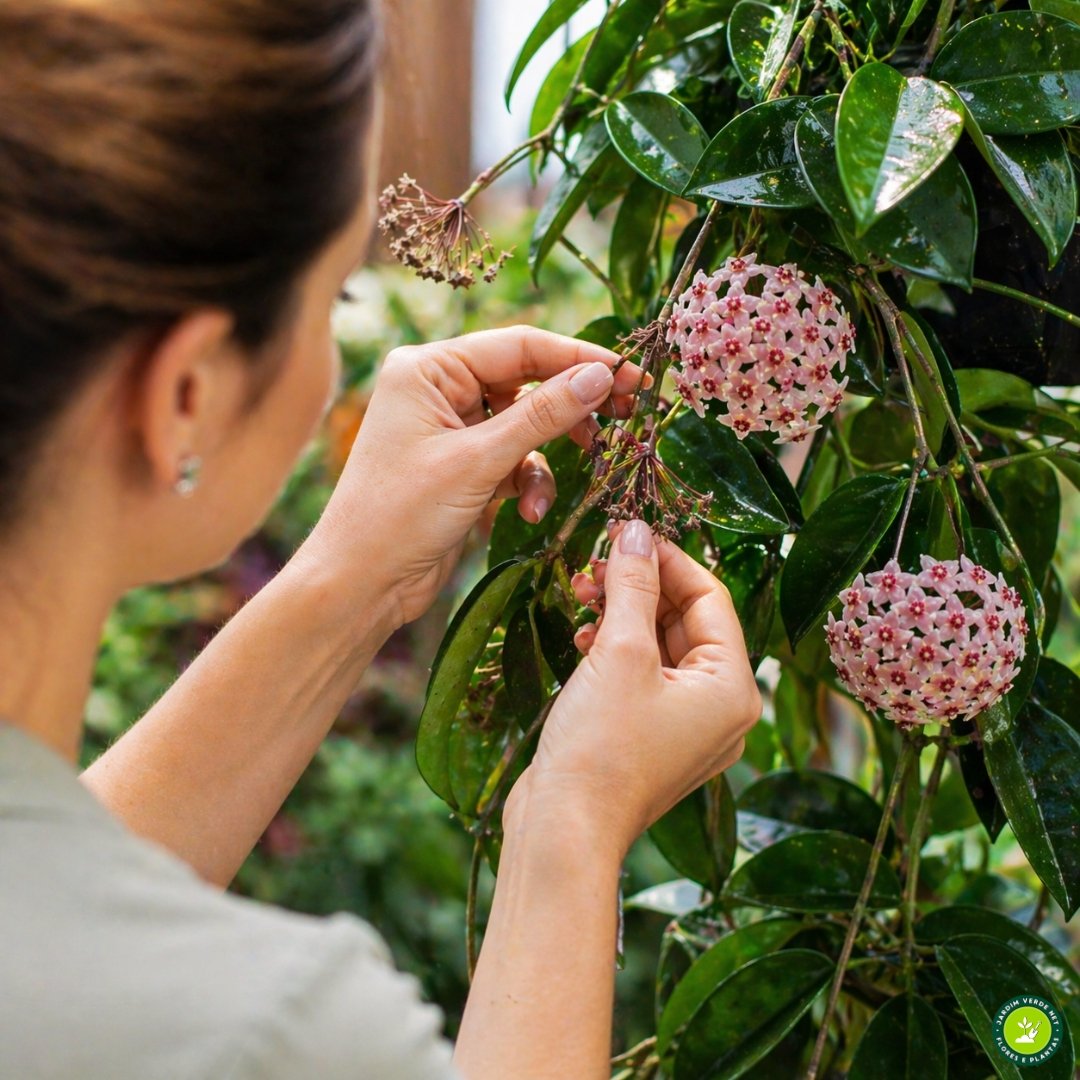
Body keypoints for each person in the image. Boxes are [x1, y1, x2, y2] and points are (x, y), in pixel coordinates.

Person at [0, 1, 761, 1077]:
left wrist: (355, 580)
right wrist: (572, 824)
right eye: (330, 295)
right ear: (186, 393)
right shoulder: (274, 1034)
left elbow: (45, 912)